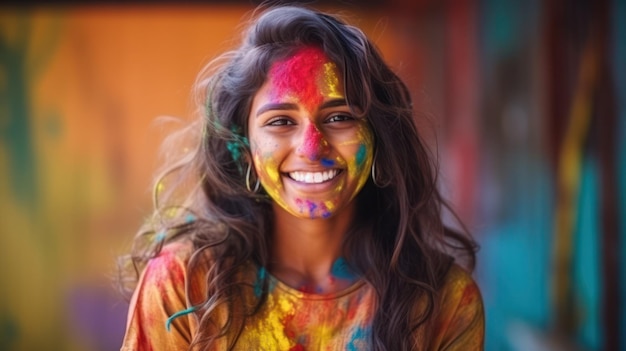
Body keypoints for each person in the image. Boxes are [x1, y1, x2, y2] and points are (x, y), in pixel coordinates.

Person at [119, 5, 484, 351]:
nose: (312, 148)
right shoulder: (184, 285)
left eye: (340, 116)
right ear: (243, 149)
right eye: (280, 121)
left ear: (379, 137)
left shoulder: (445, 301)